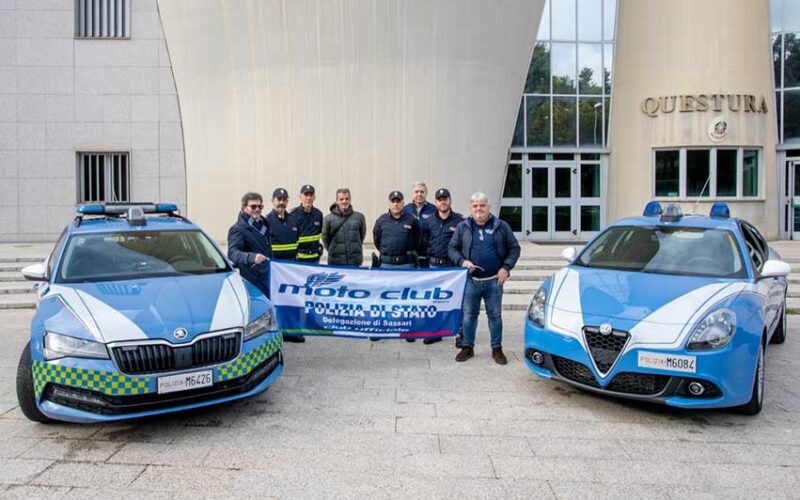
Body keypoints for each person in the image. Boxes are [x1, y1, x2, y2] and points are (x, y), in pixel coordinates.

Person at [448, 192, 520, 364]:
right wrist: (462, 260)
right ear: (471, 207)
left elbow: (514, 248)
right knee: (469, 315)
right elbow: (452, 248)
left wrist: (506, 267)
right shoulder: (463, 226)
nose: (478, 209)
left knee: (495, 316)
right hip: (471, 282)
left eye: (482, 205)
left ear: (488, 207)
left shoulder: (501, 226)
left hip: (494, 281)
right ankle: (467, 347)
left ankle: (497, 349)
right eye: (475, 205)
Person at [373, 190, 422, 342]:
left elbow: (417, 241)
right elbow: (377, 240)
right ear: (389, 203)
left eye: (398, 201)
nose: (395, 204)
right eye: (393, 201)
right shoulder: (381, 220)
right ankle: (379, 328)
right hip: (386, 265)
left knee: (406, 299)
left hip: (406, 265)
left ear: (403, 203)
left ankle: (407, 330)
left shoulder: (412, 220)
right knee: (383, 298)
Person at [420, 188, 464, 345]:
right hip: (434, 268)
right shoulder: (429, 221)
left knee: (457, 301)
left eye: (445, 198)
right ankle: (435, 332)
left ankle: (460, 333)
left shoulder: (460, 221)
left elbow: (464, 244)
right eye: (439, 199)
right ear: (436, 202)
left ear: (450, 200)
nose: (443, 202)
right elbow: (423, 242)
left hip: (453, 269)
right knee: (435, 301)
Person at [266, 187, 305, 343]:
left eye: (284, 199)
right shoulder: (267, 221)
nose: (281, 202)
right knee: (277, 301)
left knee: (292, 300)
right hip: (276, 269)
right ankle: (277, 331)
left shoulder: (293, 220)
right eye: (278, 199)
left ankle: (292, 331)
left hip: (291, 268)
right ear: (273, 201)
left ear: (288, 200)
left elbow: (297, 241)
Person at [227, 192, 272, 298]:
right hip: (252, 278)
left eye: (260, 206)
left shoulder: (264, 224)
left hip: (267, 274)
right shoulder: (238, 229)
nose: (257, 209)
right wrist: (252, 257)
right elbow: (232, 253)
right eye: (253, 206)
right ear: (244, 208)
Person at [321, 188, 367, 267]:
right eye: (341, 199)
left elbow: (361, 235)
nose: (344, 201)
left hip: (355, 261)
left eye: (346, 199)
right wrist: (333, 250)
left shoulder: (359, 217)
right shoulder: (328, 219)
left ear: (350, 200)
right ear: (337, 201)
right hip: (336, 262)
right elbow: (325, 239)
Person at [292, 184, 324, 263]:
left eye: (311, 195)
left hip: (315, 259)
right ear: (300, 197)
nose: (308, 198)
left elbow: (322, 234)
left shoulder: (318, 214)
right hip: (299, 259)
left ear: (314, 197)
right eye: (306, 195)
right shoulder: (293, 215)